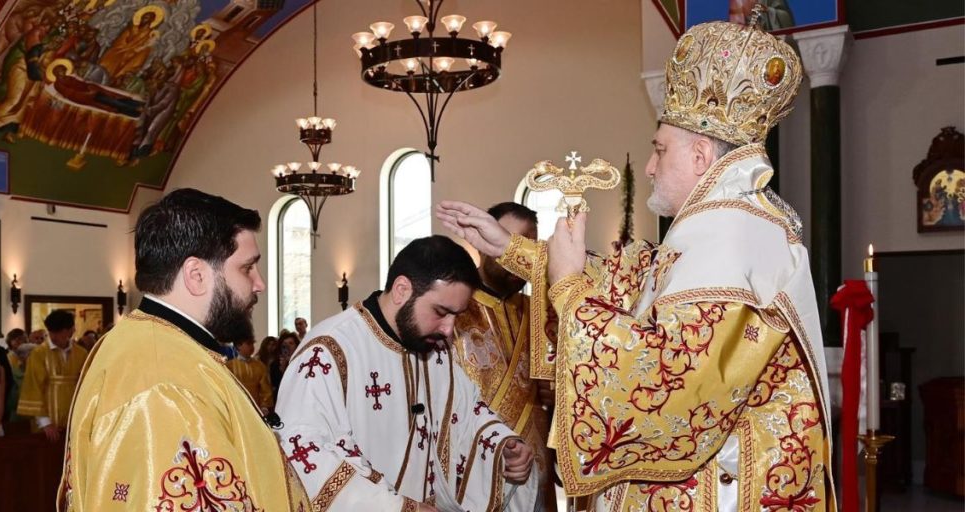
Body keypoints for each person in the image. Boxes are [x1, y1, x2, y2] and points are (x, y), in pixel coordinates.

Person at [438, 13, 834, 510]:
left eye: (659, 149)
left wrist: (566, 291)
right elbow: (625, 287)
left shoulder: (732, 238)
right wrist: (510, 248)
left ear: (700, 155)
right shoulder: (718, 230)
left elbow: (663, 380)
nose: (648, 166)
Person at [58, 188, 306, 511]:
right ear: (196, 275)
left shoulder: (157, 347)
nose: (259, 284)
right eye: (247, 268)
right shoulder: (164, 384)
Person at [276, 235, 537, 511]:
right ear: (402, 290)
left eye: (456, 316)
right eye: (441, 311)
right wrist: (399, 508)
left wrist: (503, 447)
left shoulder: (435, 349)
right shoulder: (329, 351)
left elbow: (467, 412)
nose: (449, 329)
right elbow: (304, 452)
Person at [450, 202, 558, 511]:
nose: (516, 258)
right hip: (478, 472)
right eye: (508, 242)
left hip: (539, 479)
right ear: (483, 242)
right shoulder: (454, 313)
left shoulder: (541, 312)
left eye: (526, 247)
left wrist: (557, 396)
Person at [17, 309, 88, 441]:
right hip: (46, 427)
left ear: (71, 330)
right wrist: (45, 423)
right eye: (51, 332)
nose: (53, 337)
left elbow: (87, 388)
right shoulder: (39, 354)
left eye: (59, 332)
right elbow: (33, 388)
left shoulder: (81, 354)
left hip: (74, 422)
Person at [227, 338, 273, 414]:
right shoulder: (229, 366)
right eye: (249, 344)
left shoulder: (260, 366)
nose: (252, 347)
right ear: (238, 346)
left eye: (253, 344)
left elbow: (265, 388)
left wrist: (264, 406)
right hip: (236, 407)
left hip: (256, 407)